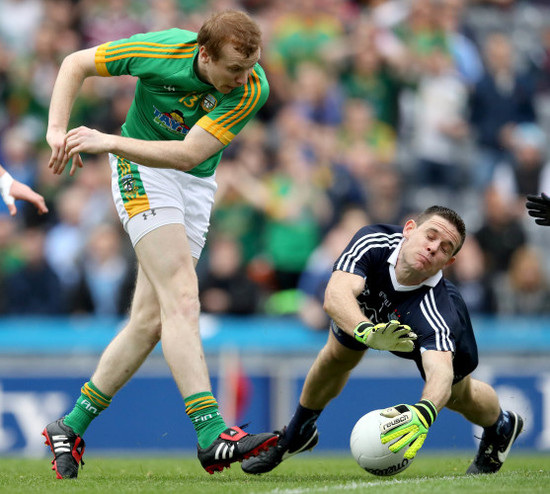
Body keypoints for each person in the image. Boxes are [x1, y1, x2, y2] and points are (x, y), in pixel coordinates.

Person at [41, 9, 277, 479]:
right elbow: (74, 63)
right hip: (140, 171)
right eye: (233, 69)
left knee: (151, 320)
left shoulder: (253, 87)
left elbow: (190, 153)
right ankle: (212, 435)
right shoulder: (159, 50)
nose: (242, 79)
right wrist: (56, 129)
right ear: (204, 54)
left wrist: (106, 141)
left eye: (249, 66)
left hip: (193, 181)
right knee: (183, 297)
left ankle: (70, 425)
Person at [241, 205, 523, 476]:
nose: (433, 247)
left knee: (458, 395)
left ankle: (501, 425)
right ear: (410, 229)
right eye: (430, 236)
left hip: (416, 328)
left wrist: (423, 413)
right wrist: (367, 332)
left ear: (448, 263)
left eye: (445, 248)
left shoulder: (439, 312)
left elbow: (440, 371)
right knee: (336, 356)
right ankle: (297, 434)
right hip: (368, 314)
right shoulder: (373, 241)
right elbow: (335, 294)